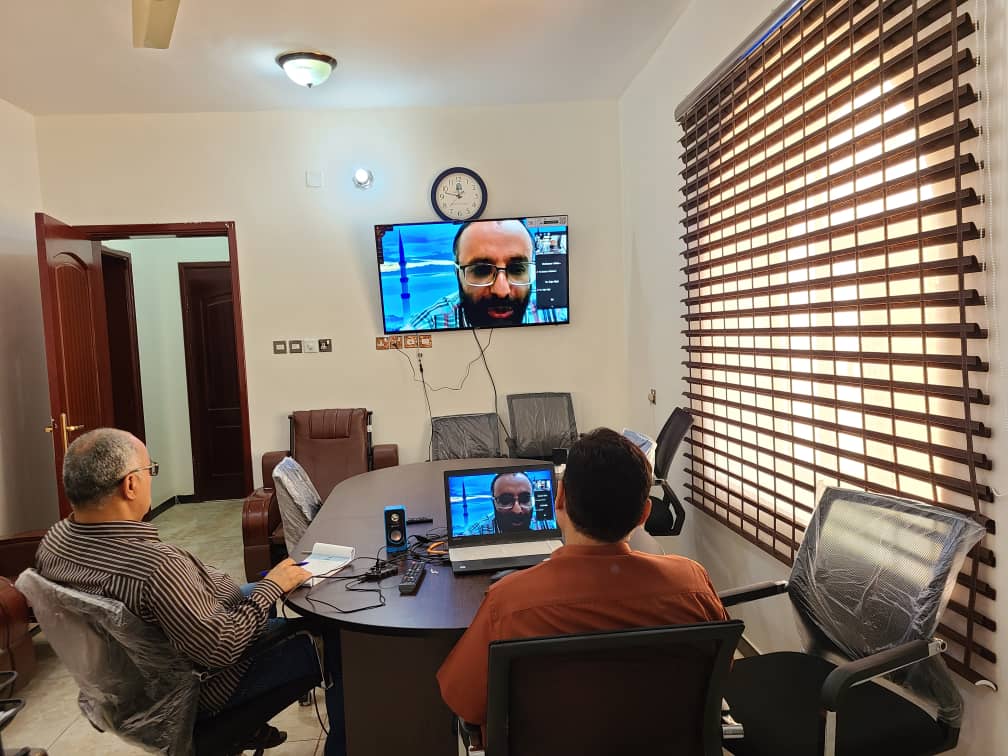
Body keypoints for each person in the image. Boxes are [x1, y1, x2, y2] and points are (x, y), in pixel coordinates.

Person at [34, 428, 346, 755]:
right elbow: (221, 647)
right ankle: (343, 747)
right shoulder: (154, 567)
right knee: (338, 640)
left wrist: (261, 592)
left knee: (260, 592)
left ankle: (249, 728)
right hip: (196, 690)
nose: (151, 478)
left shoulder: (55, 543)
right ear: (130, 484)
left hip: (136, 686)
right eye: (150, 470)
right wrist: (272, 587)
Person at [437, 428, 729, 740]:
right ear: (644, 514)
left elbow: (465, 703)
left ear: (559, 498)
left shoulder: (508, 604)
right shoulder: (693, 584)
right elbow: (720, 673)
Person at [408, 219, 559, 330]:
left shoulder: (556, 313)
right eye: (481, 271)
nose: (501, 291)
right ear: (457, 274)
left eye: (517, 269)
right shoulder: (425, 327)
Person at [462, 471, 553, 535]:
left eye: (525, 499)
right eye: (505, 500)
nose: (517, 510)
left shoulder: (548, 525)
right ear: (494, 503)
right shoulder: (474, 534)